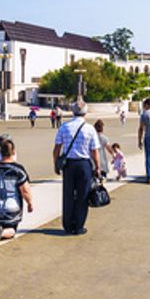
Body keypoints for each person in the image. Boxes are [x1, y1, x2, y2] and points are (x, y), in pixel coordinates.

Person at [52, 99, 101, 235]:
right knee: (82, 195)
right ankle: (79, 225)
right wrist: (98, 167)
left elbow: (56, 148)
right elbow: (94, 151)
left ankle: (68, 225)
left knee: (68, 195)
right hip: (84, 164)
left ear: (72, 111)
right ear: (85, 112)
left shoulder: (64, 127)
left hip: (69, 164)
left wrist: (56, 163)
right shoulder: (90, 129)